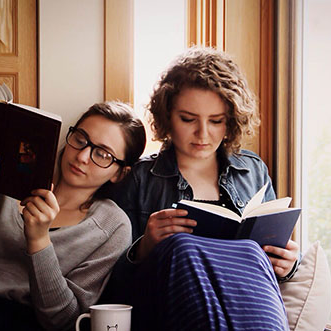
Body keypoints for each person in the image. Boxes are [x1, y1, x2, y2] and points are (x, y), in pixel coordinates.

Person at [101, 47, 301, 331]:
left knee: (251, 253)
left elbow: (271, 261)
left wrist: (289, 263)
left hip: (244, 306)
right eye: (188, 119)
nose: (203, 134)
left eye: (216, 121)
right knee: (182, 248)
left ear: (230, 120)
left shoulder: (252, 170)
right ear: (167, 116)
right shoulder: (140, 178)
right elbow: (109, 285)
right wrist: (143, 248)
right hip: (169, 309)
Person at [0, 102, 146, 331]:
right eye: (80, 139)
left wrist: (39, 241)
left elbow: (63, 320)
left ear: (119, 173)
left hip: (26, 322)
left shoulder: (112, 226)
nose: (82, 156)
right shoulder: (1, 184)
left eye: (102, 154)